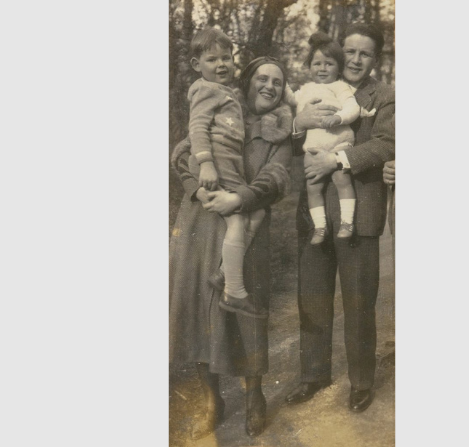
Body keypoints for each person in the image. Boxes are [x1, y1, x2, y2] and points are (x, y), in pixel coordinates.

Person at [169, 57, 293, 438]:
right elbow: (181, 155)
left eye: (277, 81)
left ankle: (254, 395)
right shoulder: (221, 108)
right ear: (248, 81)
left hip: (246, 228)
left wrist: (237, 199)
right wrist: (197, 190)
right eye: (262, 78)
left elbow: (275, 179)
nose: (269, 86)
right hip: (202, 222)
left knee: (247, 314)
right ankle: (212, 400)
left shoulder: (280, 130)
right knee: (199, 312)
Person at [285, 23, 395, 414]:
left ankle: (361, 381)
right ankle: (313, 375)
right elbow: (288, 138)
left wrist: (338, 159)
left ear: (375, 59)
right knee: (312, 296)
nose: (355, 59)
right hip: (314, 207)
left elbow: (386, 143)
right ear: (339, 51)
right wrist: (298, 124)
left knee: (359, 301)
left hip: (359, 208)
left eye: (365, 53)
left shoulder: (385, 95)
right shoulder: (315, 86)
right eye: (350, 51)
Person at [183, 28, 267, 318]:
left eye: (226, 58)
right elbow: (197, 127)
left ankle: (224, 272)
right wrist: (205, 163)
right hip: (215, 164)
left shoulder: (226, 93)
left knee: (257, 213)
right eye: (212, 59)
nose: (221, 64)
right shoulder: (205, 90)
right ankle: (234, 292)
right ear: (197, 65)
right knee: (237, 219)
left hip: (228, 165)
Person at [285, 32, 362, 244]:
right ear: (309, 67)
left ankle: (347, 222)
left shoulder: (340, 86)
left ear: (339, 68)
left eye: (329, 64)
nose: (322, 68)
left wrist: (339, 117)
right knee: (313, 186)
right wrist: (281, 81)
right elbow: (291, 98)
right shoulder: (306, 89)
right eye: (317, 64)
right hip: (314, 147)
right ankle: (320, 227)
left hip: (338, 143)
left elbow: (353, 108)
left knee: (342, 179)